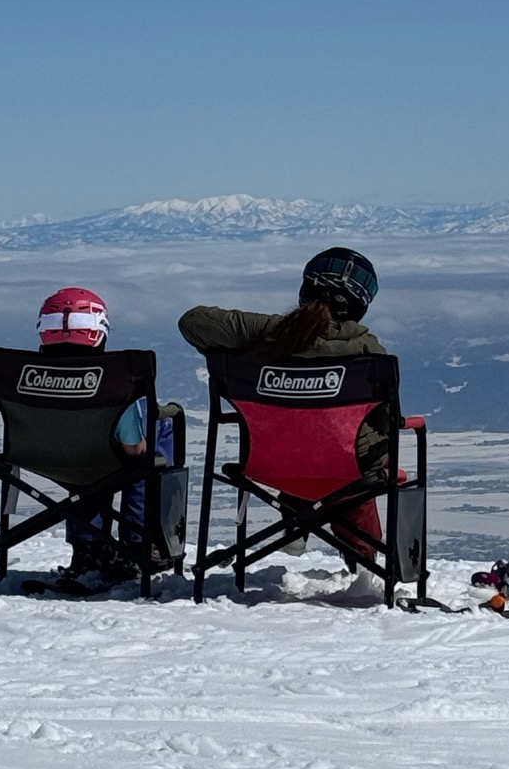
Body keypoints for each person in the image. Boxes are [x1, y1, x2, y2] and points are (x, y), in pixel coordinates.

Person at [177, 247, 388, 553]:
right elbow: (389, 420)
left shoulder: (267, 334)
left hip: (271, 461)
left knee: (317, 450)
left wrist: (253, 338)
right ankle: (363, 552)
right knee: (364, 456)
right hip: (346, 467)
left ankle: (297, 510)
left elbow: (192, 322)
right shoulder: (370, 351)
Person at [37, 286, 175, 579]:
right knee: (155, 435)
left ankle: (88, 548)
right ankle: (139, 542)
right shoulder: (113, 382)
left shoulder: (22, 374)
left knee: (85, 462)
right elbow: (133, 449)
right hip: (100, 461)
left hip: (43, 459)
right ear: (99, 333)